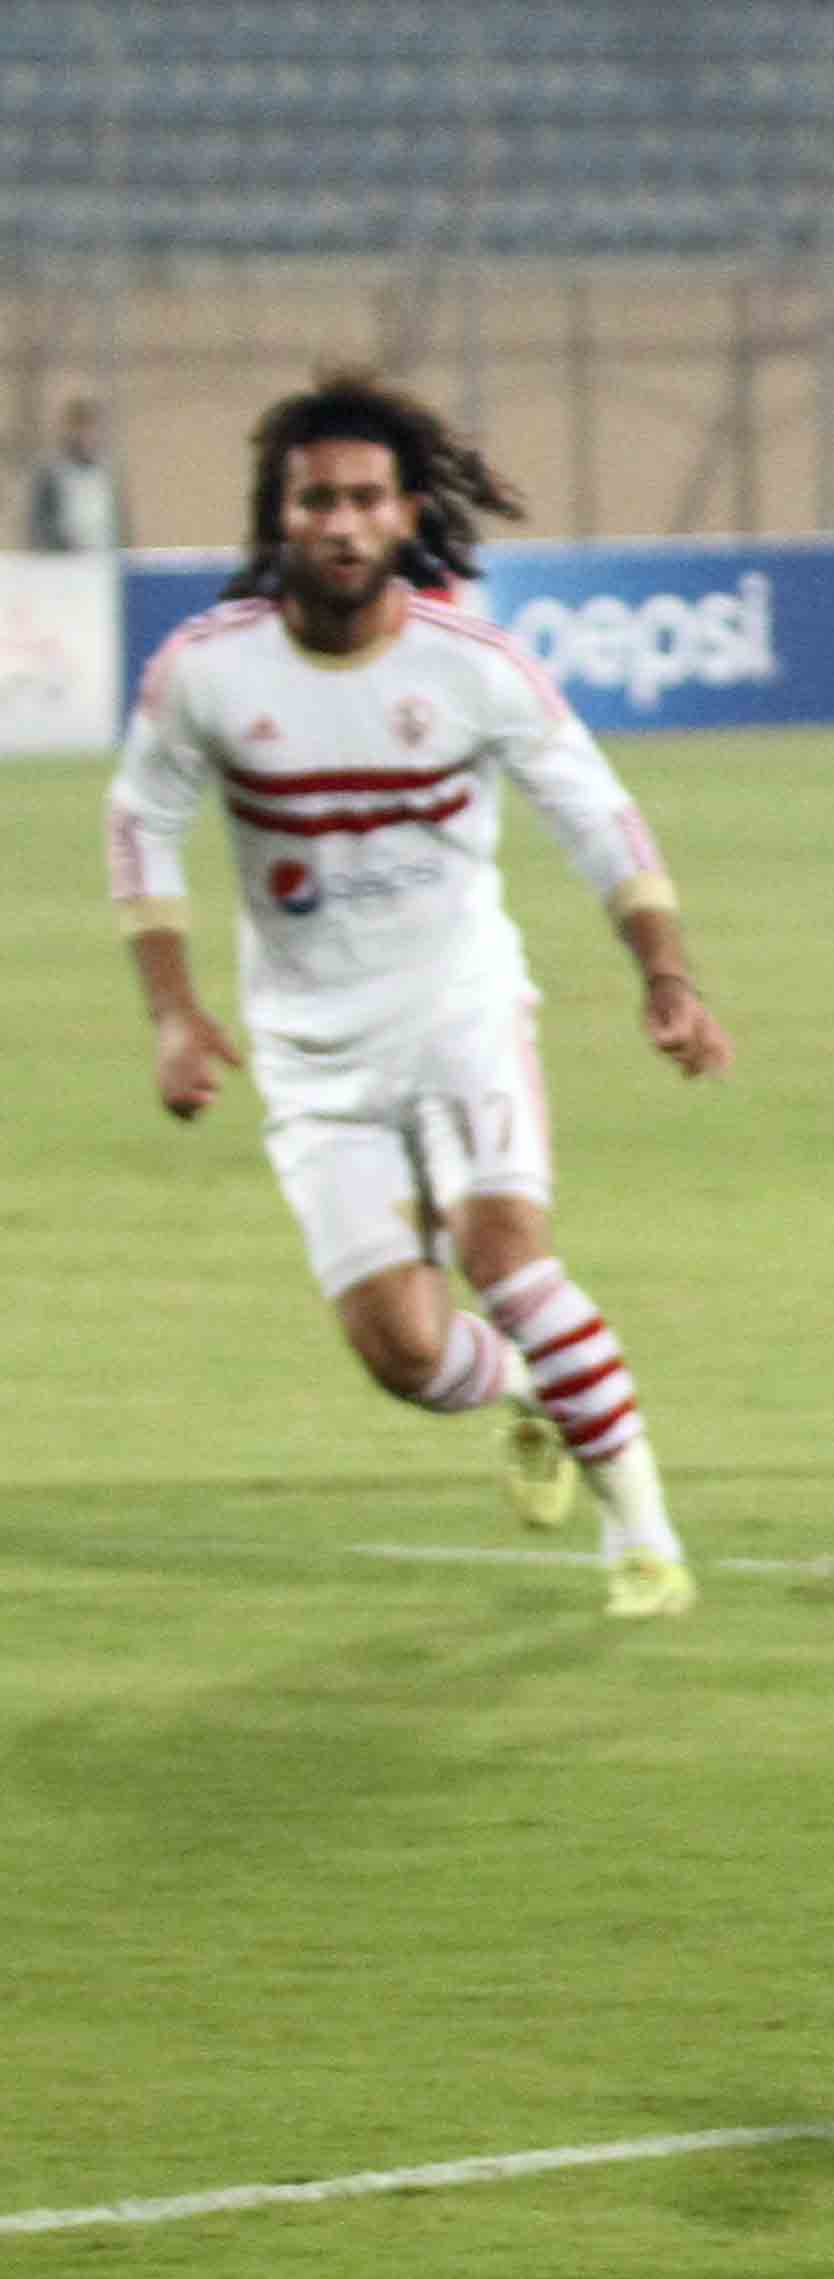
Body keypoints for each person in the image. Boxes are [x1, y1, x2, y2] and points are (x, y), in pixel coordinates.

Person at [103, 370, 732, 1620]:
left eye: (365, 499)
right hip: (311, 1049)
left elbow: (600, 818)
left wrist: (664, 974)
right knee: (403, 1352)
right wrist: (173, 1010)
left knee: (507, 1259)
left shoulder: (474, 666)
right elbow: (141, 828)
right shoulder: (206, 672)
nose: (342, 523)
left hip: (460, 1011)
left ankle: (644, 1540)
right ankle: (535, 1398)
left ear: (405, 514)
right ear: (279, 516)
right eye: (317, 500)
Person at [26, 391, 118, 553]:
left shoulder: (107, 474)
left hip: (103, 558)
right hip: (64, 560)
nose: (87, 435)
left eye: (92, 428)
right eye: (81, 428)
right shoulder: (50, 474)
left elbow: (117, 524)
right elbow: (38, 526)